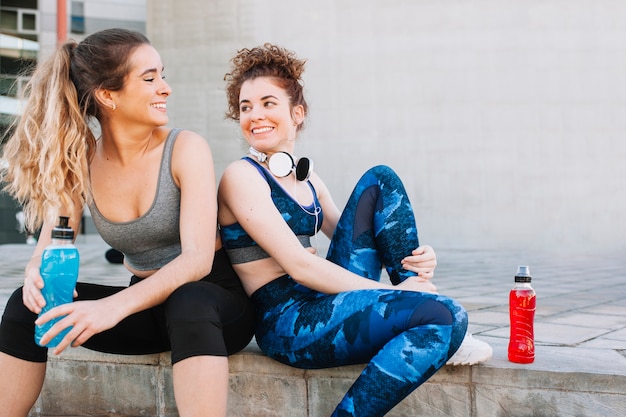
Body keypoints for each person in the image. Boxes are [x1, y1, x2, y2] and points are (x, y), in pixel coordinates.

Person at [217, 43, 488, 417]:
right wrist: (392, 293)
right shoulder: (241, 176)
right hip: (287, 323)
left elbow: (361, 236)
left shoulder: (307, 178)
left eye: (267, 103)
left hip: (320, 298)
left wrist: (421, 261)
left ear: (297, 113)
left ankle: (420, 297)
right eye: (245, 107)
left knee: (381, 180)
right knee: (446, 317)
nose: (254, 115)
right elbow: (300, 266)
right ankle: (422, 310)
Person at [0, 28, 255, 417]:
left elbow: (198, 260)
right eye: (150, 78)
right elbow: (56, 241)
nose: (165, 88)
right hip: (146, 307)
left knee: (189, 300)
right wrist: (37, 273)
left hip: (214, 307)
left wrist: (110, 308)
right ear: (107, 95)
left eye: (162, 75)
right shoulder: (82, 155)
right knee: (22, 305)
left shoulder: (185, 148)